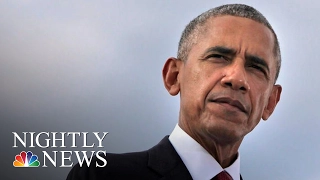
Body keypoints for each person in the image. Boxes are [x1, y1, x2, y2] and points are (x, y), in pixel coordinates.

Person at [67, 3, 282, 180]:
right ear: (174, 76)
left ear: (270, 102)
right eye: (218, 57)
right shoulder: (103, 175)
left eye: (256, 67)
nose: (236, 78)